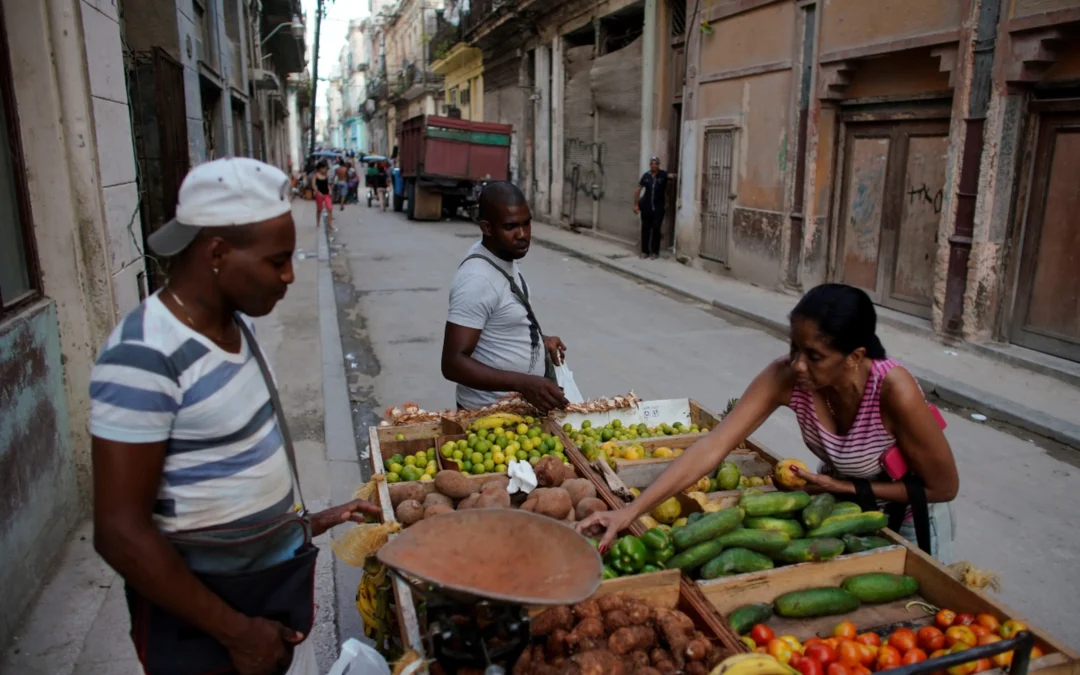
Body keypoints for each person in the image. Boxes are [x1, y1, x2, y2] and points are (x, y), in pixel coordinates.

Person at [89, 158, 379, 675]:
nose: (290, 275)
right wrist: (239, 634)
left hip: (268, 601)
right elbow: (119, 532)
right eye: (277, 261)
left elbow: (218, 483)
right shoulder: (142, 354)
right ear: (218, 253)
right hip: (211, 629)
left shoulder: (235, 325)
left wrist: (308, 523)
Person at [579, 284, 959, 561]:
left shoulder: (894, 390)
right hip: (844, 511)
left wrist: (840, 484)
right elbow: (714, 445)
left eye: (814, 356)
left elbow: (943, 488)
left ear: (855, 357)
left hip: (912, 518)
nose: (798, 365)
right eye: (794, 347)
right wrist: (628, 512)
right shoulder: (786, 377)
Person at [442, 181, 570, 413]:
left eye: (526, 223)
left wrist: (541, 342)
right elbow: (453, 364)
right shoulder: (477, 279)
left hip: (518, 411)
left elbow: (501, 322)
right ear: (487, 228)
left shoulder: (502, 256)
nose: (523, 234)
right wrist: (522, 383)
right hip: (490, 417)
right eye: (511, 226)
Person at [633, 157, 668, 259]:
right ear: (650, 165)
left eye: (655, 163)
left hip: (658, 208)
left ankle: (655, 252)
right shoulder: (646, 176)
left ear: (658, 165)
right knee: (645, 229)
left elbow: (672, 176)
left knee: (656, 229)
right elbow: (638, 190)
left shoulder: (663, 175)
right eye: (652, 163)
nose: (653, 165)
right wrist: (636, 204)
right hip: (646, 207)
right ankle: (645, 251)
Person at [313, 160, 333, 230]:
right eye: (323, 168)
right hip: (319, 195)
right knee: (319, 209)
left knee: (330, 208)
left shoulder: (326, 176)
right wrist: (318, 192)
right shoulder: (316, 175)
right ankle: (318, 223)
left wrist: (330, 189)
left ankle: (330, 224)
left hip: (326, 194)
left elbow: (327, 184)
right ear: (320, 168)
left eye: (325, 168)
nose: (324, 170)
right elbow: (313, 186)